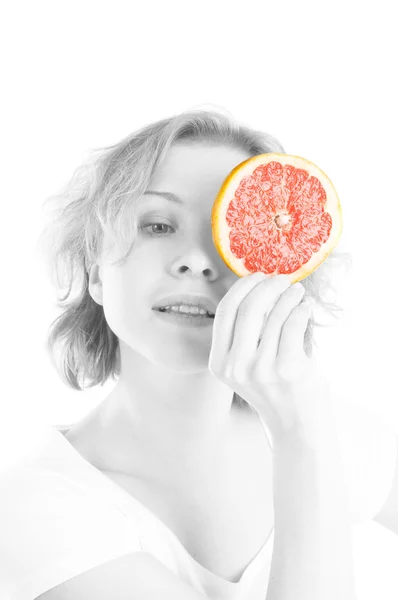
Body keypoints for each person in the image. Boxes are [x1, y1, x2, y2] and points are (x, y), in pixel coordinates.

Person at [1, 108, 397, 600]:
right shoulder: (35, 506)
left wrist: (306, 429)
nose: (196, 259)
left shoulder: (331, 428)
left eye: (229, 232)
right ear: (96, 273)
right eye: (159, 225)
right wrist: (301, 437)